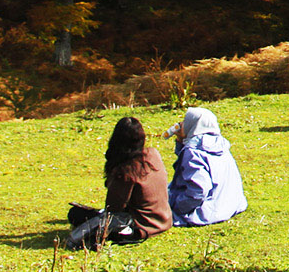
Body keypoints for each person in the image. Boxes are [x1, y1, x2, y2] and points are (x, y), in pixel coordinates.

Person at [65, 116, 171, 250]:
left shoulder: (126, 170)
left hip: (141, 227)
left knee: (76, 214)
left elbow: (113, 208)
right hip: (164, 221)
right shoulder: (153, 154)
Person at [165, 107, 247, 228]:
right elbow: (187, 167)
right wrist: (181, 141)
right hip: (229, 203)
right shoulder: (219, 144)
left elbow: (198, 190)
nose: (182, 124)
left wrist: (177, 206)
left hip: (207, 211)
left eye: (185, 121)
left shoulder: (193, 151)